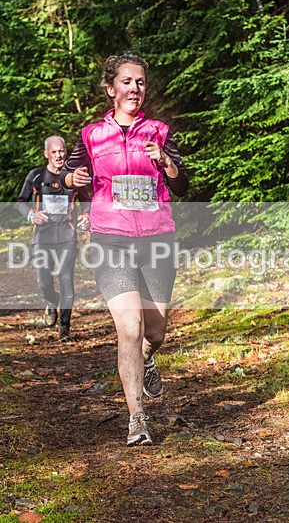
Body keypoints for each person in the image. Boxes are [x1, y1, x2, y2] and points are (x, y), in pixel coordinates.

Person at [61, 54, 188, 445]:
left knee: (155, 331)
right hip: (110, 239)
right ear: (111, 88)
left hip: (156, 239)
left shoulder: (161, 131)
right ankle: (137, 418)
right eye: (128, 82)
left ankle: (149, 358)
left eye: (141, 82)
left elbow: (182, 186)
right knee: (128, 328)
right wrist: (72, 178)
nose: (135, 89)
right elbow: (70, 177)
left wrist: (166, 161)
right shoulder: (90, 136)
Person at [17, 135, 90, 342]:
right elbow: (21, 201)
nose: (59, 155)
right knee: (44, 279)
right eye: (54, 152)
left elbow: (86, 200)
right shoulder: (36, 176)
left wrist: (86, 216)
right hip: (43, 235)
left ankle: (65, 329)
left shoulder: (73, 176)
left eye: (62, 151)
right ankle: (51, 301)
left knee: (66, 277)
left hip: (66, 234)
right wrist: (32, 214)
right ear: (46, 153)